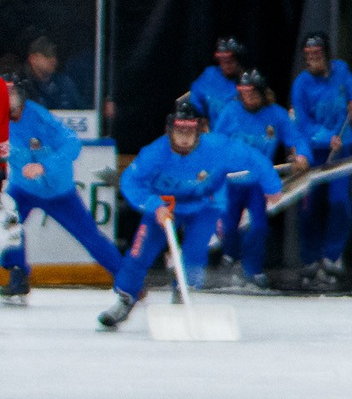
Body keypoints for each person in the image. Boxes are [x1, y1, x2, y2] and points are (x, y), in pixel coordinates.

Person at [97, 96, 281, 331]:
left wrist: (272, 186)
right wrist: (154, 206)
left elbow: (254, 158)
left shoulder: (218, 148)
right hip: (163, 206)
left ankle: (182, 294)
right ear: (169, 130)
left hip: (205, 205)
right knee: (139, 253)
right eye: (179, 131)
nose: (184, 138)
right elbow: (131, 182)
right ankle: (126, 298)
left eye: (190, 131)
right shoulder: (154, 153)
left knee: (194, 255)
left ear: (199, 131)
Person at [1, 72, 118, 298]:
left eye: (11, 94)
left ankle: (127, 278)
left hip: (59, 192)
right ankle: (18, 275)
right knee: (7, 224)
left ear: (21, 95)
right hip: (23, 189)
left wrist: (44, 166)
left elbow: (72, 144)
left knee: (89, 236)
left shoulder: (40, 119)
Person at [211, 68, 308, 290]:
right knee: (228, 227)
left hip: (257, 183)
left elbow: (296, 138)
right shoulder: (230, 112)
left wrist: (301, 155)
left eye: (253, 93)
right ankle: (230, 258)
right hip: (231, 182)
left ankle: (252, 269)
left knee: (258, 227)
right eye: (244, 93)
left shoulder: (276, 115)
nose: (249, 98)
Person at [290, 33, 352, 285]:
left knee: (339, 201)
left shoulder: (341, 70)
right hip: (315, 149)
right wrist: (325, 137)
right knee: (310, 205)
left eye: (317, 55)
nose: (313, 60)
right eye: (308, 56)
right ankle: (310, 258)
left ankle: (333, 255)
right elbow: (303, 122)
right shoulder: (301, 84)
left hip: (342, 148)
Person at [188, 35, 248, 121]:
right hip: (212, 128)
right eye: (222, 60)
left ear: (239, 59)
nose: (227, 64)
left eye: (231, 60)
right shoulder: (210, 74)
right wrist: (199, 118)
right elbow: (195, 97)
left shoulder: (249, 83)